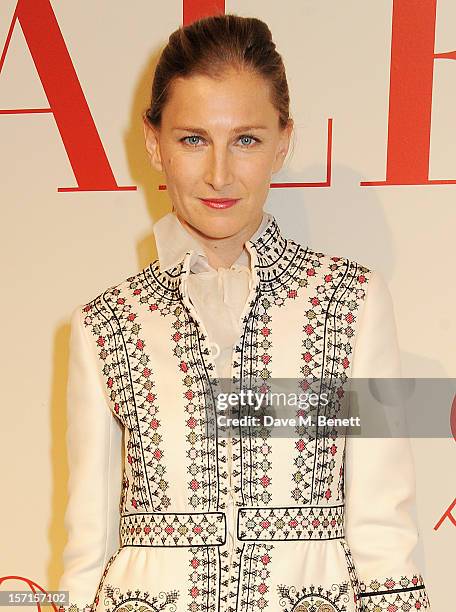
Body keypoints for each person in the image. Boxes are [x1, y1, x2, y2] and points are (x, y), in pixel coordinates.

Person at [58, 13, 431, 612]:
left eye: (247, 140)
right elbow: (88, 547)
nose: (220, 174)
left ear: (284, 141)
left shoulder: (352, 300)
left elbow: (383, 531)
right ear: (154, 143)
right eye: (193, 139)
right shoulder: (105, 324)